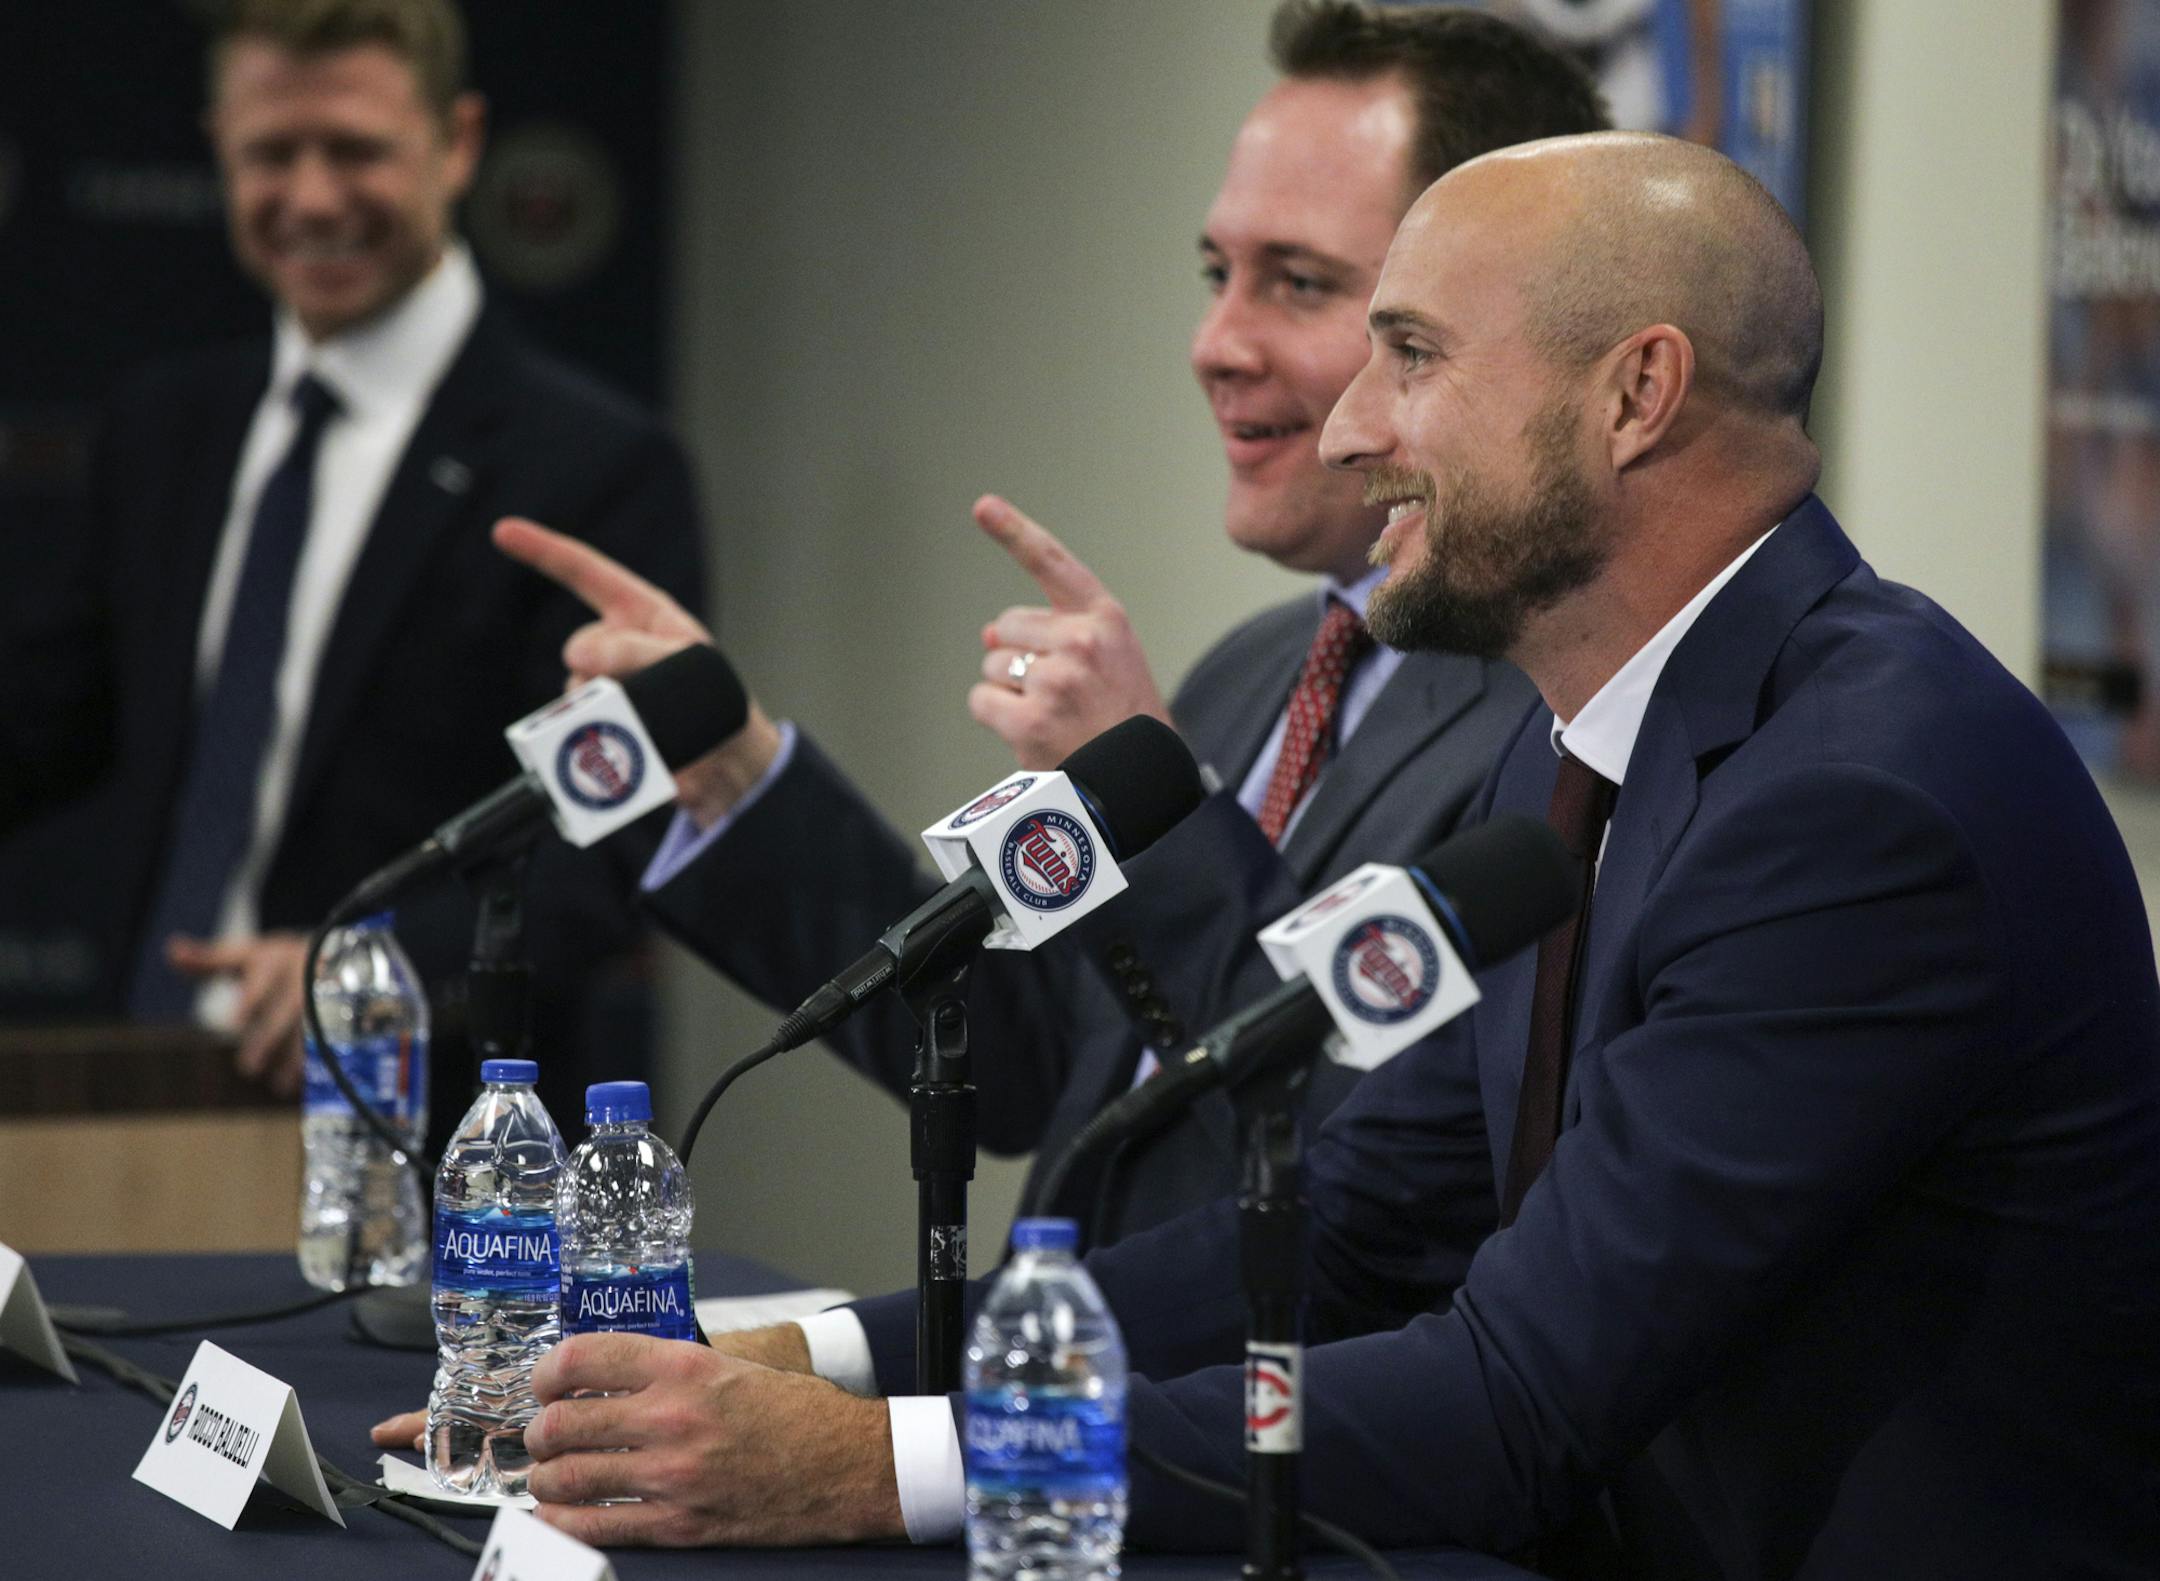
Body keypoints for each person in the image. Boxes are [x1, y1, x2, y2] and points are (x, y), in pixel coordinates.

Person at [377, 131, 2160, 1574]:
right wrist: (794, 1359)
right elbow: (1365, 1229)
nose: (1354, 427)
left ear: (1637, 394)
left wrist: (877, 1465)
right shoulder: (1584, 727)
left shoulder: (1858, 810)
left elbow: (1513, 1390)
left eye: (1411, 354)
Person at [493, 0, 1607, 1243]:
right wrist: (742, 779)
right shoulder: (1257, 674)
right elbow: (1029, 1061)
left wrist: (1160, 804)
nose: (1214, 343)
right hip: (1063, 1384)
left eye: (1298, 283)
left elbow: (1359, 1137)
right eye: (1214, 274)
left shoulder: (1553, 723)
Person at [0, 0, 706, 1133]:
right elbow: (44, 723)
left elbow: (611, 848)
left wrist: (374, 970)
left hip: (441, 1159)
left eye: (356, 150)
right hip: (135, 1105)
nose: (314, 198)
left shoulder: (596, 467)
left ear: (457, 143)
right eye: (271, 154)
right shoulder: (163, 429)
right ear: (219, 151)